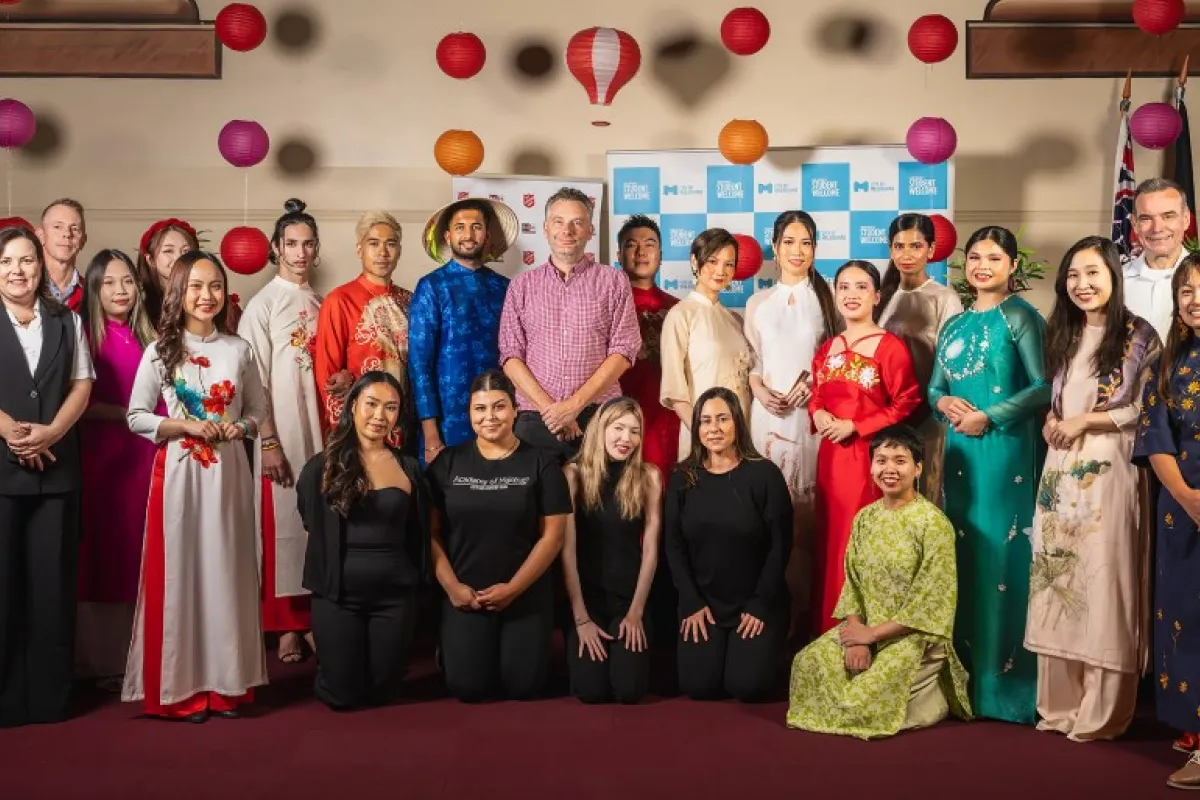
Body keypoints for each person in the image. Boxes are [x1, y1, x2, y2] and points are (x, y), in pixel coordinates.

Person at [123, 250, 269, 722]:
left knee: (226, 571)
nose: (206, 296)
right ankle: (181, 690)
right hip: (180, 476)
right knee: (183, 573)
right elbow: (136, 416)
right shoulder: (161, 350)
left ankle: (226, 686)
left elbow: (257, 411)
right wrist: (184, 427)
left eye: (214, 286)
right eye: (195, 287)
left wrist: (240, 429)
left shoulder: (238, 349)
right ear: (178, 293)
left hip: (228, 476)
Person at [1025, 235, 1159, 742]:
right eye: (1074, 276)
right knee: (1056, 581)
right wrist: (1053, 423)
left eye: (1093, 274)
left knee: (1104, 583)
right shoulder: (1063, 333)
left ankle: (1100, 712)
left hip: (1110, 467)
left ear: (1113, 278)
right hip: (1060, 470)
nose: (1082, 285)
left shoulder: (1139, 335)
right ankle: (1058, 706)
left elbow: (1142, 409)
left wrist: (1083, 421)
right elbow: (1056, 403)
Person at [929, 225, 1049, 725]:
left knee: (1005, 558)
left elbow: (1044, 387)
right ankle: (966, 685)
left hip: (1006, 457)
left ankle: (1007, 689)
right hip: (960, 458)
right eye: (974, 257)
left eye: (994, 258)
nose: (982, 265)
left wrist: (991, 415)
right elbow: (934, 388)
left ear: (1012, 265)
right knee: (965, 557)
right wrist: (944, 402)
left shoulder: (1021, 316)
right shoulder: (953, 324)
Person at [786, 424, 972, 739]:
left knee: (863, 697)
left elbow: (930, 604)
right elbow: (852, 584)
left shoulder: (933, 525)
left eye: (900, 461)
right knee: (809, 662)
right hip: (864, 628)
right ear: (871, 466)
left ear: (918, 468)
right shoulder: (865, 518)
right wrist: (857, 637)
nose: (889, 469)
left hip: (913, 638)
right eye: (881, 460)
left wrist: (872, 636)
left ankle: (933, 697)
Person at [426, 369, 572, 701]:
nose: (489, 417)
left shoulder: (542, 464)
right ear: (469, 414)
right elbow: (430, 534)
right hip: (465, 596)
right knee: (469, 689)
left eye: (499, 407)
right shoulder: (448, 463)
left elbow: (553, 538)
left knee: (524, 687)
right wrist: (453, 589)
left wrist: (513, 589)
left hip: (525, 593)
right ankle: (452, 645)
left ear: (515, 409)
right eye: (480, 409)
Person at [0, 226, 94, 727]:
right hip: (3, 468)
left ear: (41, 266)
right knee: (4, 585)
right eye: (7, 262)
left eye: (27, 261)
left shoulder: (68, 320)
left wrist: (51, 432)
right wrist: (15, 433)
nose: (18, 271)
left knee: (52, 586)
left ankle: (51, 699)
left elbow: (82, 384)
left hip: (59, 471)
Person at [296, 372, 431, 710]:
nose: (379, 416)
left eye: (390, 407)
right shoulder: (321, 468)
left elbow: (419, 534)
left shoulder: (409, 468)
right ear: (353, 406)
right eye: (371, 404)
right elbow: (311, 524)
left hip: (394, 598)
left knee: (385, 692)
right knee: (344, 697)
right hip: (338, 598)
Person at [809, 260, 920, 636]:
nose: (851, 295)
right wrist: (820, 414)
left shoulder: (890, 348)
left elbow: (906, 402)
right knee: (827, 542)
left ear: (877, 295)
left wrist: (856, 426)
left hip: (866, 460)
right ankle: (826, 633)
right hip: (829, 460)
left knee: (856, 542)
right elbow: (816, 396)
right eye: (843, 287)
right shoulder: (828, 348)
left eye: (861, 287)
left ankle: (862, 635)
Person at [744, 210, 839, 641]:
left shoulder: (832, 295)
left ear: (815, 249)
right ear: (775, 246)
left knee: (807, 518)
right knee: (765, 516)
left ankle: (805, 621)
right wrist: (759, 390)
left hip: (812, 417)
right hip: (766, 415)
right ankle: (766, 618)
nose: (797, 251)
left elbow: (838, 355)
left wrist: (814, 386)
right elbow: (754, 362)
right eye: (789, 242)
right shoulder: (756, 302)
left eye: (806, 242)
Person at [237, 199, 325, 664]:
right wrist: (268, 442)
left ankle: (313, 618)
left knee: (315, 525)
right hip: (282, 432)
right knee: (281, 524)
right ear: (276, 248)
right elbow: (255, 384)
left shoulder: (320, 302)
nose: (299, 252)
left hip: (320, 430)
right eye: (291, 244)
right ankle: (285, 625)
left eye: (307, 243)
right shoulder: (262, 305)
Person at [666, 386, 793, 702]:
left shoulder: (765, 475)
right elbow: (673, 545)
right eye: (706, 421)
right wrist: (692, 602)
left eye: (722, 419)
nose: (714, 429)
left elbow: (781, 544)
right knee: (699, 687)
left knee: (747, 686)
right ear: (696, 428)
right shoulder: (683, 478)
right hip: (703, 606)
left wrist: (761, 603)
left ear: (737, 422)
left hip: (755, 604)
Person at [498, 187, 641, 462]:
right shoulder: (522, 286)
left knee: (598, 502)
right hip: (536, 417)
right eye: (559, 221)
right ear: (545, 228)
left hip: (600, 416)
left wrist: (574, 407)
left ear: (590, 230)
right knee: (538, 503)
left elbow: (624, 351)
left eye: (577, 222)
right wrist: (553, 411)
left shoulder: (613, 281)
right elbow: (510, 355)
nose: (567, 230)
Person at [75, 249, 158, 686]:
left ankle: (143, 655)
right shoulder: (85, 335)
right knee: (109, 552)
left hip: (149, 457)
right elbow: (79, 404)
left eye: (127, 281)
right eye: (109, 282)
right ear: (94, 288)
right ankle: (103, 659)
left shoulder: (149, 337)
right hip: (106, 460)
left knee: (144, 551)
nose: (120, 290)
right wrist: (132, 414)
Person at [1133, 253, 1200, 790]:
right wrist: (1186, 496)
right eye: (1186, 291)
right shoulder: (1167, 361)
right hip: (1180, 510)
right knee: (1184, 612)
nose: (1195, 299)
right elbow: (1155, 437)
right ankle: (1193, 728)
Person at [562, 397, 662, 704]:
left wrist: (636, 612)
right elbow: (566, 552)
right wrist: (581, 618)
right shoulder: (573, 475)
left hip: (629, 599)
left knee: (629, 691)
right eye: (618, 428)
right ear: (600, 428)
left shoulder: (649, 476)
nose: (626, 439)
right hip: (587, 601)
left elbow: (651, 551)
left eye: (634, 431)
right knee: (591, 692)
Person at [409, 197, 517, 464]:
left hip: (498, 415)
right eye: (460, 227)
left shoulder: (505, 287)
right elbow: (419, 365)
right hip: (447, 417)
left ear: (487, 235)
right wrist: (430, 431)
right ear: (448, 235)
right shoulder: (431, 286)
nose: (468, 235)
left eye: (476, 226)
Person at [876, 213, 964, 505]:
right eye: (899, 246)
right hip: (885, 416)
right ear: (890, 249)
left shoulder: (944, 298)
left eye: (916, 246)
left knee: (925, 491)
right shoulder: (881, 297)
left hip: (927, 415)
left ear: (931, 248)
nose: (907, 254)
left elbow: (951, 364)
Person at [314, 211, 415, 453]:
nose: (382, 252)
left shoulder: (410, 300)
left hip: (404, 421)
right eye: (374, 244)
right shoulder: (340, 300)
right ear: (359, 250)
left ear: (399, 251)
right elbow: (327, 376)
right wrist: (345, 433)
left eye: (390, 244)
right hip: (360, 428)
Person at [660, 228, 754, 461]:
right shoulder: (681, 315)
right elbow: (675, 391)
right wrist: (705, 435)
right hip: (704, 439)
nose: (721, 271)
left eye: (729, 264)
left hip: (742, 434)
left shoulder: (734, 320)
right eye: (712, 261)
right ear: (695, 260)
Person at [615, 214, 680, 477]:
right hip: (619, 413)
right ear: (619, 255)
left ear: (661, 255)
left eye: (649, 244)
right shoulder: (606, 302)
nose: (641, 252)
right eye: (631, 245)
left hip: (667, 415)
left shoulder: (678, 307)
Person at [1124, 177, 1193, 342]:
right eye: (1146, 218)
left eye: (1168, 216)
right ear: (1134, 224)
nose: (1157, 228)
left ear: (1186, 220)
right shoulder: (1114, 282)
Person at [136, 218, 199, 328]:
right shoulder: (139, 306)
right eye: (168, 251)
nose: (179, 258)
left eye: (186, 251)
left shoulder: (205, 297)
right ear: (150, 259)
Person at [35, 198, 87, 311]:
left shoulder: (92, 293)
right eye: (57, 227)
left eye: (75, 229)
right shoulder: (23, 288)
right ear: (40, 236)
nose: (67, 234)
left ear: (83, 240)